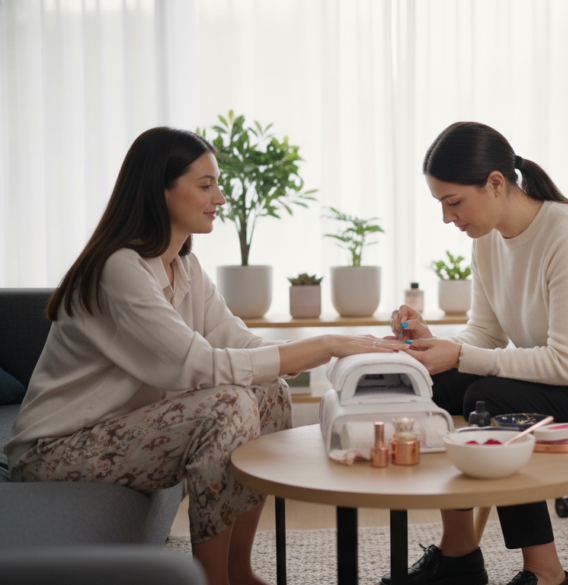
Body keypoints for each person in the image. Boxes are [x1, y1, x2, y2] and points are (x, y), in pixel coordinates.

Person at [4, 127, 406, 585]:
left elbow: (241, 343)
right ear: (160, 190)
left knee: (269, 390)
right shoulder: (119, 269)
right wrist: (325, 345)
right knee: (227, 405)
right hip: (56, 449)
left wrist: (335, 347)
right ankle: (212, 581)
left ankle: (239, 571)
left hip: (119, 428)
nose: (220, 197)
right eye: (205, 185)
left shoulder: (184, 266)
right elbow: (197, 366)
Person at [385, 122, 568, 585]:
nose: (446, 218)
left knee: (489, 398)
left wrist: (459, 355)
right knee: (432, 383)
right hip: (565, 384)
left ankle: (546, 573)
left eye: (453, 202)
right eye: (440, 204)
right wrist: (433, 343)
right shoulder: (487, 241)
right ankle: (458, 555)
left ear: (495, 183)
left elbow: (566, 363)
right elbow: (486, 333)